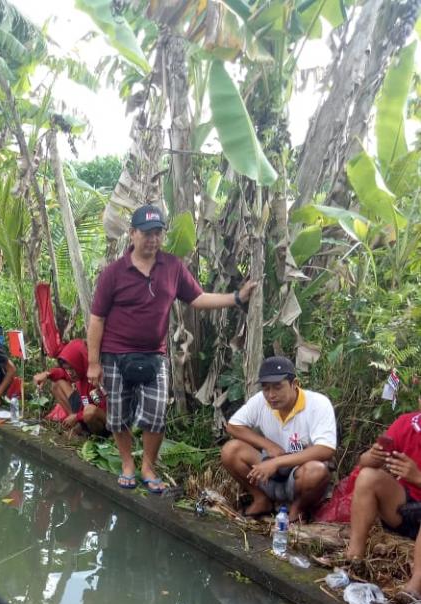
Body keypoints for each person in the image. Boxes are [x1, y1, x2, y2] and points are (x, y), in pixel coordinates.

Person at [87, 204, 254, 493]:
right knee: (118, 415)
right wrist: (93, 363)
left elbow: (198, 299)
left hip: (155, 355)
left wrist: (236, 298)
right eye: (146, 233)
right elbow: (97, 318)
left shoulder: (173, 267)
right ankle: (127, 462)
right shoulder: (113, 273)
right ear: (132, 234)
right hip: (115, 355)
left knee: (156, 416)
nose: (152, 239)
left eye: (157, 233)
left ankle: (148, 466)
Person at [221, 356, 336, 519]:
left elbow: (326, 449)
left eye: (277, 387)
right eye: (266, 388)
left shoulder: (318, 404)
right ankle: (262, 499)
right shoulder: (261, 401)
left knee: (316, 471)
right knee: (230, 450)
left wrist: (277, 462)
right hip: (268, 472)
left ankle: (297, 510)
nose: (271, 395)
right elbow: (233, 426)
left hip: (300, 475)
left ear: (294, 384)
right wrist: (268, 445)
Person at [345, 410, 421, 598]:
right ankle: (353, 560)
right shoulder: (408, 423)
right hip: (406, 508)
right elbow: (364, 462)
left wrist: (418, 478)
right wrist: (373, 456)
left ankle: (415, 587)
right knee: (368, 476)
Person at [33, 340, 106, 436]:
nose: (69, 372)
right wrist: (47, 374)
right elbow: (61, 373)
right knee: (57, 385)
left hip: (103, 420)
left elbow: (104, 410)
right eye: (67, 369)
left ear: (80, 363)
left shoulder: (96, 375)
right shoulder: (78, 373)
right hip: (84, 407)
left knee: (89, 412)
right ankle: (77, 425)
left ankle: (95, 436)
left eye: (71, 368)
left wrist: (77, 416)